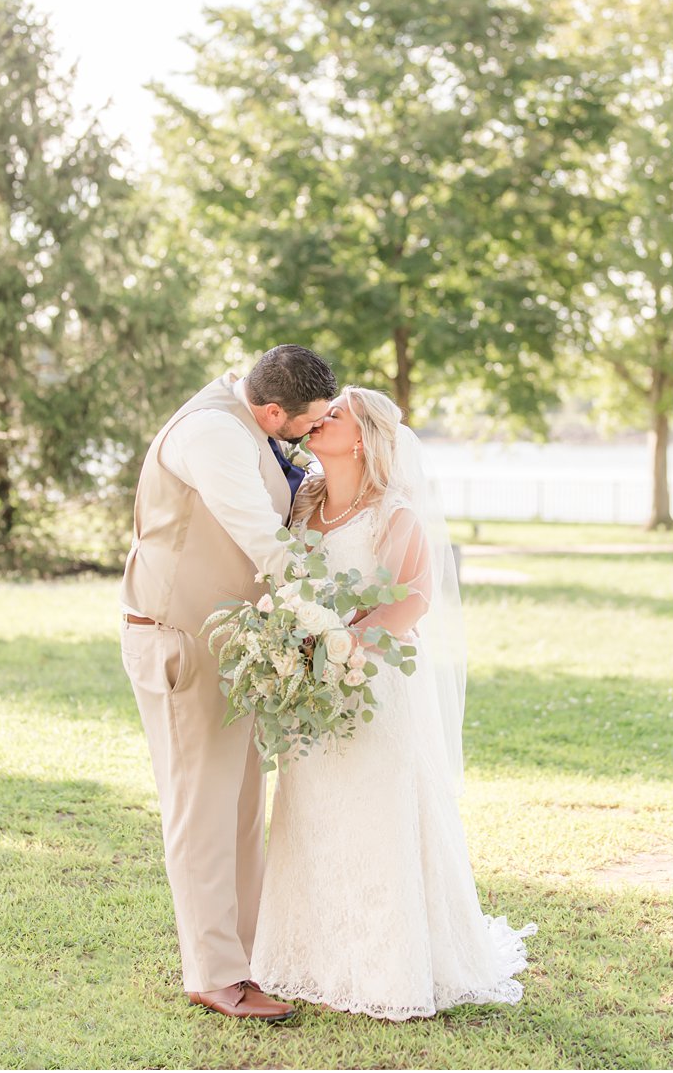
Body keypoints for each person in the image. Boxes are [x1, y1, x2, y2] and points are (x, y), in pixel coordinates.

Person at [250, 386, 535, 1018]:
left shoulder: (395, 512)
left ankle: (388, 968)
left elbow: (412, 601)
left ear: (362, 437)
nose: (321, 418)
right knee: (314, 813)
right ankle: (314, 957)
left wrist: (345, 644)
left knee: (377, 816)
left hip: (373, 682)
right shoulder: (304, 500)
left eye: (336, 414)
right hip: (311, 686)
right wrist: (296, 648)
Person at [119, 345, 337, 1021]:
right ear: (273, 409)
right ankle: (214, 972)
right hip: (182, 638)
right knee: (202, 810)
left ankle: (245, 960)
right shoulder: (213, 432)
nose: (312, 434)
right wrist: (328, 619)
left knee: (243, 804)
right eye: (309, 423)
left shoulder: (252, 423)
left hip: (234, 642)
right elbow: (259, 536)